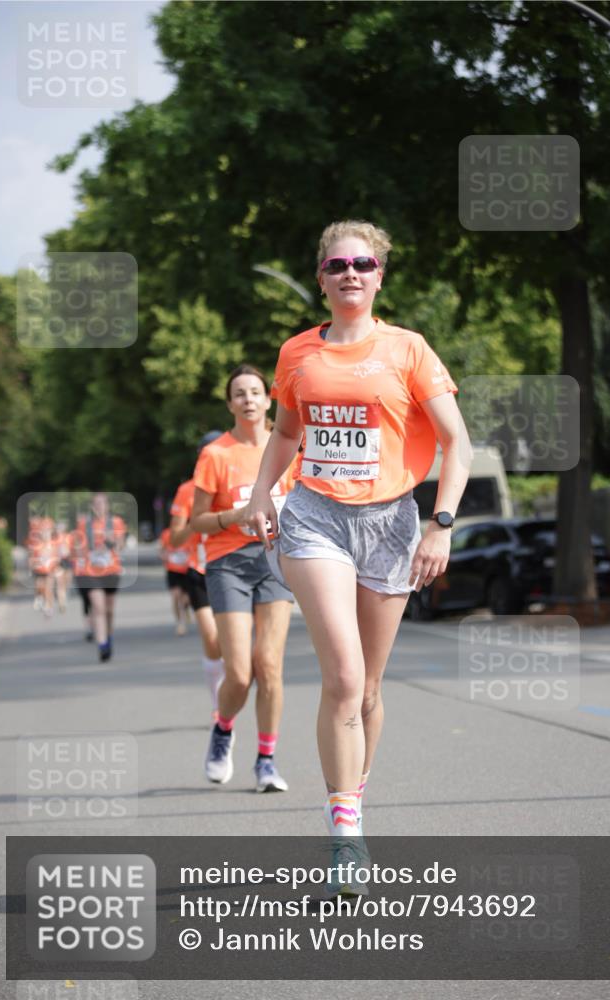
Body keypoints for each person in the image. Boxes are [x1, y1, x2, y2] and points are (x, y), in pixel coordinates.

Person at [245, 220, 472, 893]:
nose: (350, 273)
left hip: (391, 523)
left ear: (379, 277)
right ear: (320, 278)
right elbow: (286, 433)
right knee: (343, 678)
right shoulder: (297, 353)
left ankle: (352, 801)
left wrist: (441, 526)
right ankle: (345, 836)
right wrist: (261, 493)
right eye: (337, 264)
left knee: (369, 688)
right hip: (314, 518)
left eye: (363, 264)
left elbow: (456, 443)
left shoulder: (408, 349)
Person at [190, 366, 296, 793]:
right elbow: (197, 521)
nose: (248, 399)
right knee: (238, 674)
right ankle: (223, 728)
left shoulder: (288, 447)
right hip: (228, 562)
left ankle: (266, 762)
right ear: (230, 404)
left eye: (255, 392)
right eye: (239, 393)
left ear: (269, 400)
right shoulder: (216, 454)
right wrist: (235, 516)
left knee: (269, 664)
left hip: (275, 559)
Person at [168, 431, 224, 711]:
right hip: (199, 570)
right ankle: (218, 705)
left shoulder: (232, 484)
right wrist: (198, 521)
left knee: (233, 642)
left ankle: (230, 691)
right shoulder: (187, 491)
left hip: (232, 567)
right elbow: (175, 539)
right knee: (212, 639)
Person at [72, 493, 126, 662]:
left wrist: (112, 541)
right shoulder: (83, 524)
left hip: (111, 570)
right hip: (90, 572)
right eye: (96, 504)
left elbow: (120, 546)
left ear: (107, 506)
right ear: (92, 507)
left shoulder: (115, 522)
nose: (99, 507)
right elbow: (77, 547)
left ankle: (108, 637)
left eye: (102, 503)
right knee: (98, 607)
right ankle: (102, 644)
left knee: (109, 610)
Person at [158, 526, 193, 635]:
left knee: (186, 599)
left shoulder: (190, 532)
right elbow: (161, 549)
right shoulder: (167, 533)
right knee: (176, 597)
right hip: (172, 570)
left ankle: (186, 608)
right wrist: (164, 556)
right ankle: (180, 623)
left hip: (187, 570)